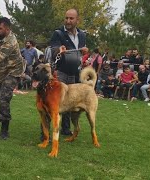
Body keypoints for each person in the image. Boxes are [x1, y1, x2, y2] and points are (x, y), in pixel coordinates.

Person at [49, 8, 86, 136]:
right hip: (61, 72)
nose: (68, 21)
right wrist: (59, 50)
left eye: (71, 18)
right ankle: (46, 133)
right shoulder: (58, 33)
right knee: (55, 101)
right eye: (66, 18)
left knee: (70, 102)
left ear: (77, 20)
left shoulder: (82, 35)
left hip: (75, 73)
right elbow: (53, 48)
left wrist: (84, 53)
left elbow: (80, 53)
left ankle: (65, 129)